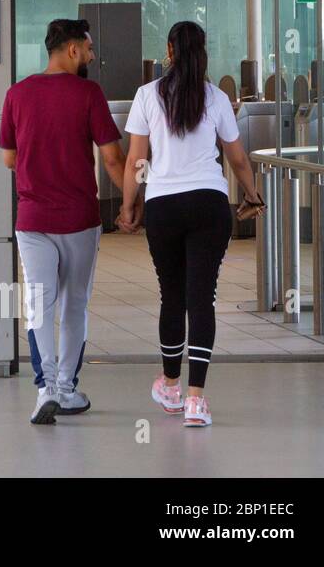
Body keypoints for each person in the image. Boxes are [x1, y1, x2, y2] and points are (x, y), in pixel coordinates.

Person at [118, 21, 263, 428]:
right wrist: (251, 194)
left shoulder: (148, 95)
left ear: (169, 50)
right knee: (202, 298)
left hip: (164, 204)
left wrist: (128, 206)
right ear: (203, 52)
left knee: (172, 296)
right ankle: (197, 400)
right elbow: (236, 159)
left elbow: (136, 160)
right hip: (209, 204)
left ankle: (170, 385)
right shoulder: (216, 97)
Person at [0, 19, 129, 424]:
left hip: (33, 218)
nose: (92, 56)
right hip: (79, 219)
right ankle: (68, 391)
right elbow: (111, 157)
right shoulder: (89, 93)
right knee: (74, 303)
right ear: (72, 49)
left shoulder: (17, 94)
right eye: (88, 49)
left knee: (38, 304)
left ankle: (45, 390)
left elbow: (8, 157)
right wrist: (130, 203)